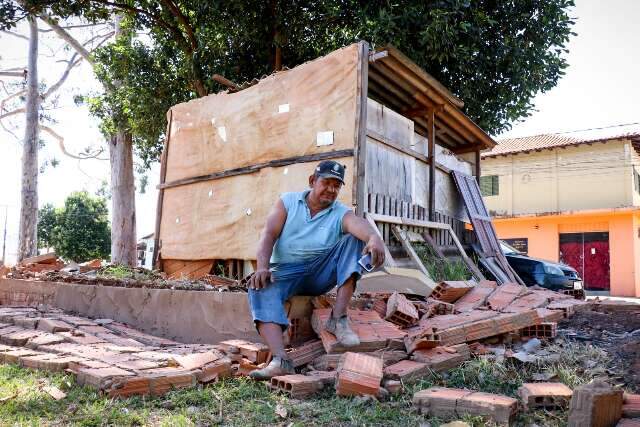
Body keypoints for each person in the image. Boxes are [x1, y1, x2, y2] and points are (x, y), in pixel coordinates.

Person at [247, 160, 386, 380]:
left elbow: (356, 224)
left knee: (354, 240)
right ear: (313, 181)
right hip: (285, 271)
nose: (331, 190)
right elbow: (268, 235)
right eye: (326, 183)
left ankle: (337, 319)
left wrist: (373, 237)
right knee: (259, 286)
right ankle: (281, 360)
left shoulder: (340, 212)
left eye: (336, 186)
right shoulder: (288, 202)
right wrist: (262, 268)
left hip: (321, 272)